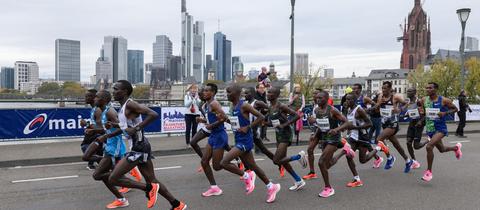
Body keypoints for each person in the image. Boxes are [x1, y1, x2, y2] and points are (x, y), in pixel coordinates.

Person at [106, 80, 187, 210]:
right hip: (140, 146)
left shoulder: (130, 104)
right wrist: (114, 125)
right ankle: (177, 204)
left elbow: (153, 114)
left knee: (113, 178)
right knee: (152, 179)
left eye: (116, 89)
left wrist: (137, 128)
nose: (113, 92)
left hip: (139, 147)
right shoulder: (123, 107)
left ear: (125, 91)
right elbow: (127, 126)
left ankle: (148, 189)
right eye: (113, 89)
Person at [220, 84, 281, 203]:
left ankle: (247, 176)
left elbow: (261, 116)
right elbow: (236, 123)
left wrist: (248, 127)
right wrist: (225, 119)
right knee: (254, 166)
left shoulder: (244, 105)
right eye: (226, 92)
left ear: (236, 94)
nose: (227, 94)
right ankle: (271, 186)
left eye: (229, 92)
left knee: (224, 162)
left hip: (245, 141)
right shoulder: (233, 106)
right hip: (239, 139)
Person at [329, 93, 384, 188]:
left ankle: (379, 148)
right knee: (348, 156)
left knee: (363, 160)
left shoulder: (359, 110)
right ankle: (357, 179)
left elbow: (369, 124)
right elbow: (348, 123)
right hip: (353, 137)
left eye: (349, 100)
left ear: (354, 100)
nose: (347, 101)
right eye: (346, 99)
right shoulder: (348, 109)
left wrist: (355, 127)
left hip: (362, 137)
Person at [88, 90, 129, 209]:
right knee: (102, 175)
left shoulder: (110, 112)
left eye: (97, 97)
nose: (94, 99)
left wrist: (106, 136)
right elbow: (108, 128)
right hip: (109, 146)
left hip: (114, 148)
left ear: (104, 100)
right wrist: (95, 131)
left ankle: (145, 188)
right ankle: (122, 195)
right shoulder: (105, 111)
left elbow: (122, 128)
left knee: (98, 175)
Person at [419, 82, 462, 182]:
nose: (427, 89)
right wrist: (421, 119)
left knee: (429, 146)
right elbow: (425, 113)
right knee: (442, 149)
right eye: (427, 88)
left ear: (435, 89)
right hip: (430, 129)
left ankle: (428, 172)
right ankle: (456, 148)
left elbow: (455, 109)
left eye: (430, 88)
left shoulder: (443, 100)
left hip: (440, 129)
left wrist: (445, 113)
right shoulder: (424, 99)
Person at [266, 87, 307, 191]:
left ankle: (299, 156)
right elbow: (274, 122)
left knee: (276, 160)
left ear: (276, 95)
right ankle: (299, 181)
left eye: (270, 92)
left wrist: (285, 125)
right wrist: (266, 123)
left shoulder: (281, 106)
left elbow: (297, 116)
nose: (268, 94)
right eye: (268, 92)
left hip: (286, 134)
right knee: (283, 161)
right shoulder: (270, 107)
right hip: (278, 134)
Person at [312, 91, 350, 198]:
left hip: (334, 138)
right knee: (327, 164)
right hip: (324, 138)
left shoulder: (332, 110)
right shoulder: (317, 110)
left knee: (321, 162)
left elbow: (347, 122)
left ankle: (328, 188)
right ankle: (344, 151)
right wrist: (315, 135)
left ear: (327, 99)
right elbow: (320, 125)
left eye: (321, 98)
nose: (318, 100)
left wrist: (336, 129)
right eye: (317, 98)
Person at [372, 81, 413, 172]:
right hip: (384, 123)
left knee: (378, 139)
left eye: (385, 88)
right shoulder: (380, 97)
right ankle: (408, 160)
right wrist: (379, 105)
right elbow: (377, 109)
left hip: (393, 123)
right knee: (396, 144)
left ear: (390, 89)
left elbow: (407, 102)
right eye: (382, 88)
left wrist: (399, 109)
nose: (383, 90)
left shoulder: (395, 97)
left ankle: (390, 158)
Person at [351, 84, 383, 168]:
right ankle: (378, 158)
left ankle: (378, 155)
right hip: (355, 125)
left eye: (355, 89)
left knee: (365, 142)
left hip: (364, 125)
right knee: (366, 143)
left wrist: (367, 110)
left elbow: (376, 105)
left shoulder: (364, 98)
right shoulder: (352, 99)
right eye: (352, 89)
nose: (353, 90)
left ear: (360, 89)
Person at [401, 87, 428, 170]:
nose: (408, 92)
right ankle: (414, 161)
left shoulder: (418, 101)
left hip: (419, 123)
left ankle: (428, 140)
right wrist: (406, 115)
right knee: (408, 143)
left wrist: (420, 121)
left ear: (414, 92)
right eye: (407, 91)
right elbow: (411, 112)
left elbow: (425, 114)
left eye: (410, 91)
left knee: (416, 146)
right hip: (412, 122)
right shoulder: (408, 102)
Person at [80, 89, 103, 170]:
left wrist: (86, 124)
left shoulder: (98, 110)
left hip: (100, 136)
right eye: (85, 96)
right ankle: (92, 164)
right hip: (96, 135)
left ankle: (107, 160)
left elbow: (101, 128)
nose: (85, 98)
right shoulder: (94, 109)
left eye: (87, 96)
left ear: (94, 98)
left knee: (85, 147)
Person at [303, 89, 322, 180]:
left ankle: (345, 146)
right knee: (310, 150)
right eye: (313, 93)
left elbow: (324, 120)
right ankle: (312, 172)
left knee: (327, 157)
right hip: (316, 129)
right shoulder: (314, 105)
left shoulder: (321, 106)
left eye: (316, 94)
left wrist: (314, 120)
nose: (314, 95)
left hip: (323, 130)